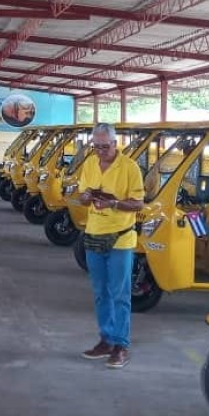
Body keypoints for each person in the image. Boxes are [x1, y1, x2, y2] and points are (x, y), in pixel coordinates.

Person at [76, 122, 144, 369]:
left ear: (115, 143)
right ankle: (105, 340)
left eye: (105, 146)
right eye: (96, 147)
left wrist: (114, 204)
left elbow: (138, 204)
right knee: (100, 293)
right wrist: (85, 197)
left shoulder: (130, 168)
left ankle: (120, 345)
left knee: (120, 294)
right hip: (94, 235)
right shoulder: (90, 164)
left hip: (120, 238)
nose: (100, 151)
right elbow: (83, 196)